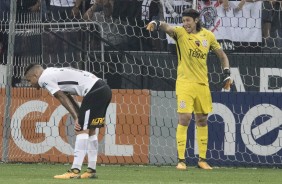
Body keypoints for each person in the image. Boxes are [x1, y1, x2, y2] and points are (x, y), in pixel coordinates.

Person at [146, 8, 232, 170]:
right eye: (183, 20)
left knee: (202, 120)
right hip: (185, 84)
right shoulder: (180, 33)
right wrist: (157, 23)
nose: (185, 24)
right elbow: (168, 27)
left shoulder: (208, 36)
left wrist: (227, 73)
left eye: (188, 21)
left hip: (202, 85)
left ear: (196, 20)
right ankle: (181, 160)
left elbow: (222, 56)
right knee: (185, 118)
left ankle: (202, 159)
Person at [24, 64, 112, 179]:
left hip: (94, 91)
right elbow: (67, 95)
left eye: (29, 80)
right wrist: (78, 115)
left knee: (81, 130)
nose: (30, 84)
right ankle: (91, 171)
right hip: (103, 89)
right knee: (91, 131)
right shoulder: (52, 73)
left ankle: (74, 171)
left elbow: (60, 96)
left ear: (35, 75)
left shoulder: (44, 78)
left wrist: (76, 117)